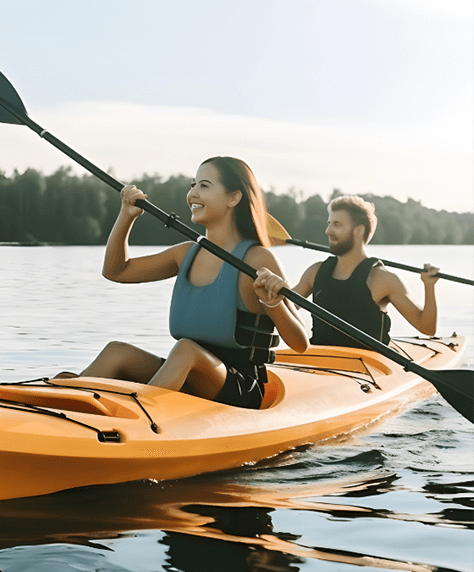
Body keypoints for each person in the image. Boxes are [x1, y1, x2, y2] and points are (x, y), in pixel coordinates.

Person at [58, 156, 309, 410]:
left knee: (185, 350)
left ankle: (138, 414)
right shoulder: (186, 253)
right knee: (116, 352)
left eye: (204, 186)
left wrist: (273, 303)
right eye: (193, 185)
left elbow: (300, 343)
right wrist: (126, 216)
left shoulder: (257, 258)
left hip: (241, 388)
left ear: (234, 198)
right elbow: (116, 271)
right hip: (187, 375)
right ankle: (66, 405)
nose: (192, 194)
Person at [271, 195, 440, 347]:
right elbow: (282, 309)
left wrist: (429, 286)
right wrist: (272, 294)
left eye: (336, 224)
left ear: (359, 231)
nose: (328, 231)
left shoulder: (382, 279)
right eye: (329, 223)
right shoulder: (315, 272)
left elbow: (427, 328)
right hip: (320, 364)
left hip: (369, 370)